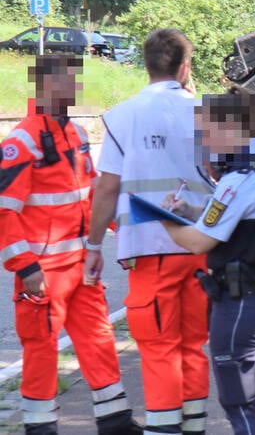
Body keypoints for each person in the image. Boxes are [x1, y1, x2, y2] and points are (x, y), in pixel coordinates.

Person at [0, 55, 141, 435]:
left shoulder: (75, 134)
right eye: (68, 82)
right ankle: (40, 427)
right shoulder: (21, 142)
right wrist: (26, 267)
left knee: (98, 339)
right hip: (44, 273)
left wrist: (124, 236)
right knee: (42, 349)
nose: (75, 89)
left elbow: (94, 195)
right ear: (45, 86)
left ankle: (116, 422)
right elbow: (4, 212)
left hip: (82, 265)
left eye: (76, 81)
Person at [85, 29, 212, 435]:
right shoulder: (207, 113)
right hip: (199, 248)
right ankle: (194, 427)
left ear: (146, 64)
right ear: (185, 66)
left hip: (147, 250)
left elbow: (107, 187)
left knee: (158, 348)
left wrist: (92, 244)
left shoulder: (123, 116)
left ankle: (162, 429)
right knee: (193, 346)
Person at [159, 92, 255, 435]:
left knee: (243, 406)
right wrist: (189, 212)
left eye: (204, 132)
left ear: (228, 130)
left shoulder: (238, 181)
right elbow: (232, 218)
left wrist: (165, 221)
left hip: (244, 305)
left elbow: (198, 241)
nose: (202, 142)